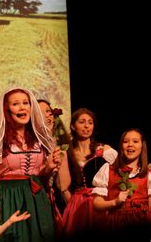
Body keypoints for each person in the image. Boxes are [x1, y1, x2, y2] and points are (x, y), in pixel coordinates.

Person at [0, 87, 61, 242]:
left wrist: (49, 167)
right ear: (7, 110)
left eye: (25, 103)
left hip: (36, 198)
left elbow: (42, 178)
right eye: (16, 104)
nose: (22, 107)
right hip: (8, 196)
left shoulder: (38, 138)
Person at [60, 108, 117, 239]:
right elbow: (64, 187)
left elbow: (120, 175)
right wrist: (72, 206)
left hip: (100, 201)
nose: (86, 126)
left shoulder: (103, 150)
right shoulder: (67, 153)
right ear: (73, 126)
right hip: (77, 204)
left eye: (90, 122)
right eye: (82, 122)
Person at [92, 128, 150, 236]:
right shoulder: (108, 170)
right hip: (115, 227)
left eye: (135, 141)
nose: (130, 144)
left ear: (142, 146)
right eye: (126, 141)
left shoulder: (148, 174)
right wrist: (115, 202)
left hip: (142, 227)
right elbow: (96, 204)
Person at [37, 99, 70, 235]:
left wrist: (61, 161)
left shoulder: (58, 146)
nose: (47, 116)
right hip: (34, 199)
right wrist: (47, 167)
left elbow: (64, 186)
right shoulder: (30, 146)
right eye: (41, 112)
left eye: (49, 112)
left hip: (52, 201)